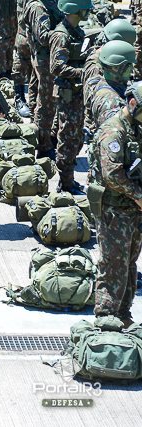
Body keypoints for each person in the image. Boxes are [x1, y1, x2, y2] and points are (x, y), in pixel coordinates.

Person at [89, 83, 142, 331]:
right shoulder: (114, 132)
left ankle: (123, 312)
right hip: (114, 209)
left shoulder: (135, 129)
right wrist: (139, 196)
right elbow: (111, 175)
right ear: (132, 104)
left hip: (132, 209)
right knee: (113, 263)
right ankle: (106, 315)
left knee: (130, 262)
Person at [12, 0, 62, 118]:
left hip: (35, 29)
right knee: (24, 65)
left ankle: (34, 106)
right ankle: (20, 98)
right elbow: (36, 7)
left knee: (36, 73)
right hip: (29, 30)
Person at [49, 0, 93, 195]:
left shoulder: (76, 31)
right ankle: (65, 183)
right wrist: (83, 72)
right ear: (76, 10)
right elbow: (56, 67)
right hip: (68, 95)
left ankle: (69, 180)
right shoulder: (61, 35)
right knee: (68, 140)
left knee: (76, 138)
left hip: (76, 94)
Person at [23, 0, 64, 158]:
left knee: (50, 101)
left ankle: (50, 137)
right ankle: (44, 145)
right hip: (45, 60)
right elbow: (44, 37)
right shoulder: (38, 7)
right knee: (46, 103)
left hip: (50, 58)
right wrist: (64, 31)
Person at [85, 40, 137, 131]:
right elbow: (113, 131)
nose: (132, 69)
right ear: (115, 68)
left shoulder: (106, 83)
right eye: (129, 65)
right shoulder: (110, 100)